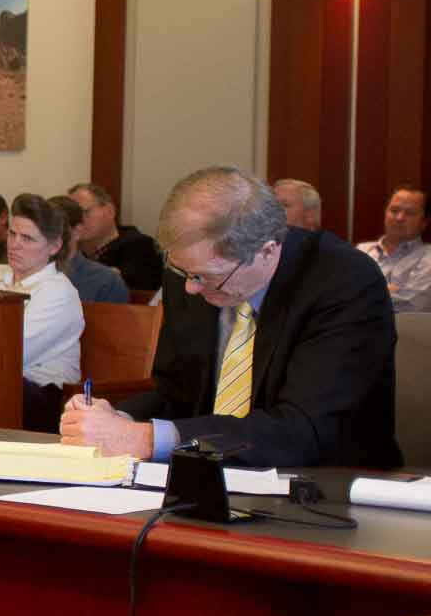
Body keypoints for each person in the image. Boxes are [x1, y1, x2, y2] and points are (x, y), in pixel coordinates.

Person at [61, 167, 400, 469]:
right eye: (183, 272)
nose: (192, 289)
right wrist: (117, 419)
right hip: (204, 478)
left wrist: (147, 439)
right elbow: (177, 392)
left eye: (206, 276)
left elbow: (304, 429)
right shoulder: (191, 275)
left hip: (327, 485)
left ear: (267, 250)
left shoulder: (343, 281)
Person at [0, 194, 83, 432]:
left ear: (54, 246)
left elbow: (11, 351)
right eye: (12, 234)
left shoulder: (59, 290)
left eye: (28, 238)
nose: (15, 244)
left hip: (43, 394)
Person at [68, 181, 163, 291]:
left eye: (84, 212)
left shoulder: (140, 246)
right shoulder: (67, 251)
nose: (77, 220)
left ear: (110, 211)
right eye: (72, 215)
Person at [356, 185, 431, 313]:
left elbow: (413, 305)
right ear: (385, 213)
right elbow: (338, 293)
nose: (399, 218)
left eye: (410, 213)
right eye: (394, 210)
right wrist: (390, 290)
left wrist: (361, 291)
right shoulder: (361, 251)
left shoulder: (428, 258)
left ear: (424, 222)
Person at [47, 194, 128, 303]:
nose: (47, 236)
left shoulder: (106, 281)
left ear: (77, 232)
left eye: (56, 229)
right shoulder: (28, 273)